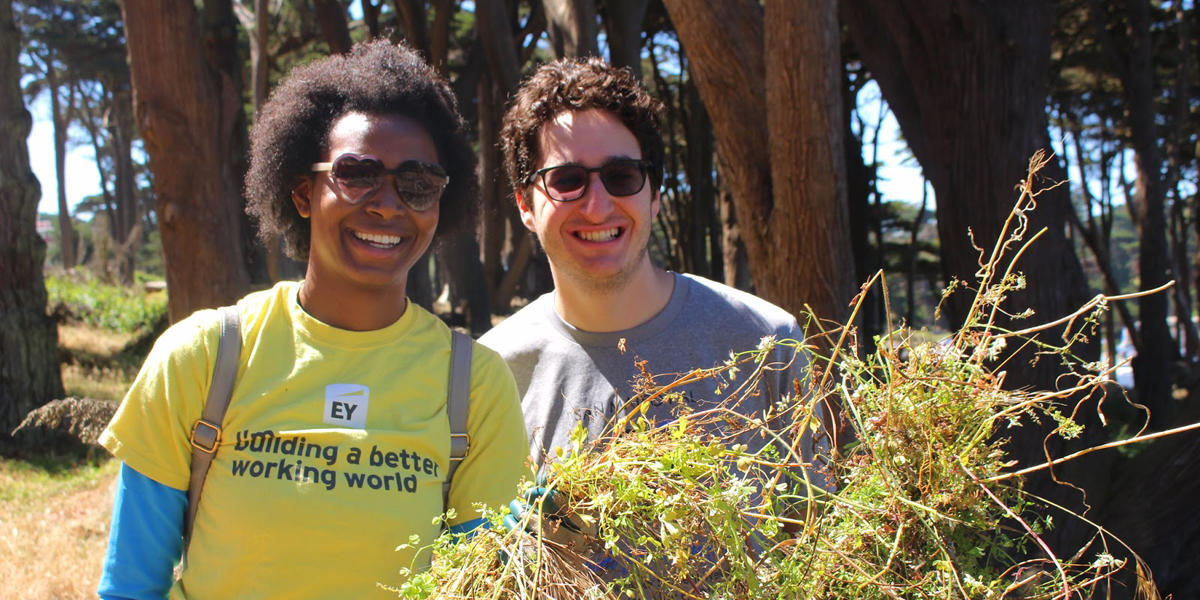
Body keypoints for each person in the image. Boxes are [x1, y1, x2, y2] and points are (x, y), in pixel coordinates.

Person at [97, 40, 528, 599]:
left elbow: (480, 586)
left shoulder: (475, 385)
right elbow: (131, 585)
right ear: (302, 193)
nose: (388, 205)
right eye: (357, 174)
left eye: (417, 184)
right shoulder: (202, 356)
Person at [479, 57, 824, 483]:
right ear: (524, 205)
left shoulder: (767, 343)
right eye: (566, 179)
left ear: (655, 195)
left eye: (621, 176)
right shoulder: (492, 372)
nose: (598, 205)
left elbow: (821, 532)